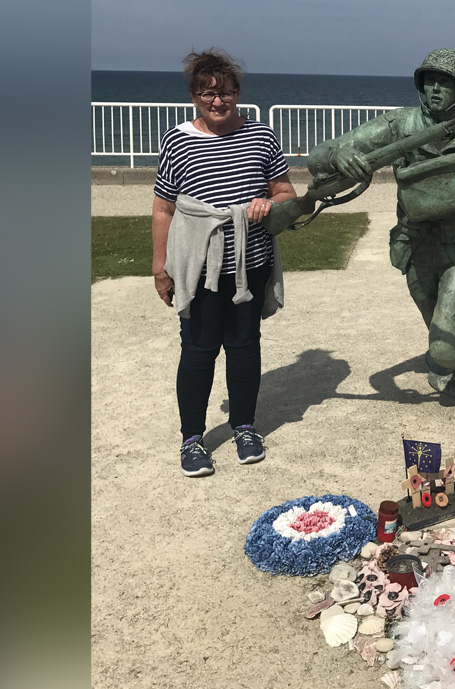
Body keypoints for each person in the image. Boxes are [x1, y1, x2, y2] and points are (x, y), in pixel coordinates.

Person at [307, 49, 455, 383]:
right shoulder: (399, 125)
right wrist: (338, 156)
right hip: (416, 246)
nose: (435, 89)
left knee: (445, 347)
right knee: (438, 326)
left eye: (445, 83)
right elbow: (318, 156)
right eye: (429, 81)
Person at [151, 49, 297, 477]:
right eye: (207, 93)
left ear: (238, 94)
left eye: (226, 92)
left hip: (249, 264)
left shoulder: (262, 137)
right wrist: (160, 267)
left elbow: (287, 193)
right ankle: (192, 438)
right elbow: (163, 208)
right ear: (194, 95)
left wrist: (266, 203)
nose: (217, 102)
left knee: (244, 347)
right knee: (197, 352)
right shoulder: (177, 140)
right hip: (196, 268)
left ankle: (245, 426)